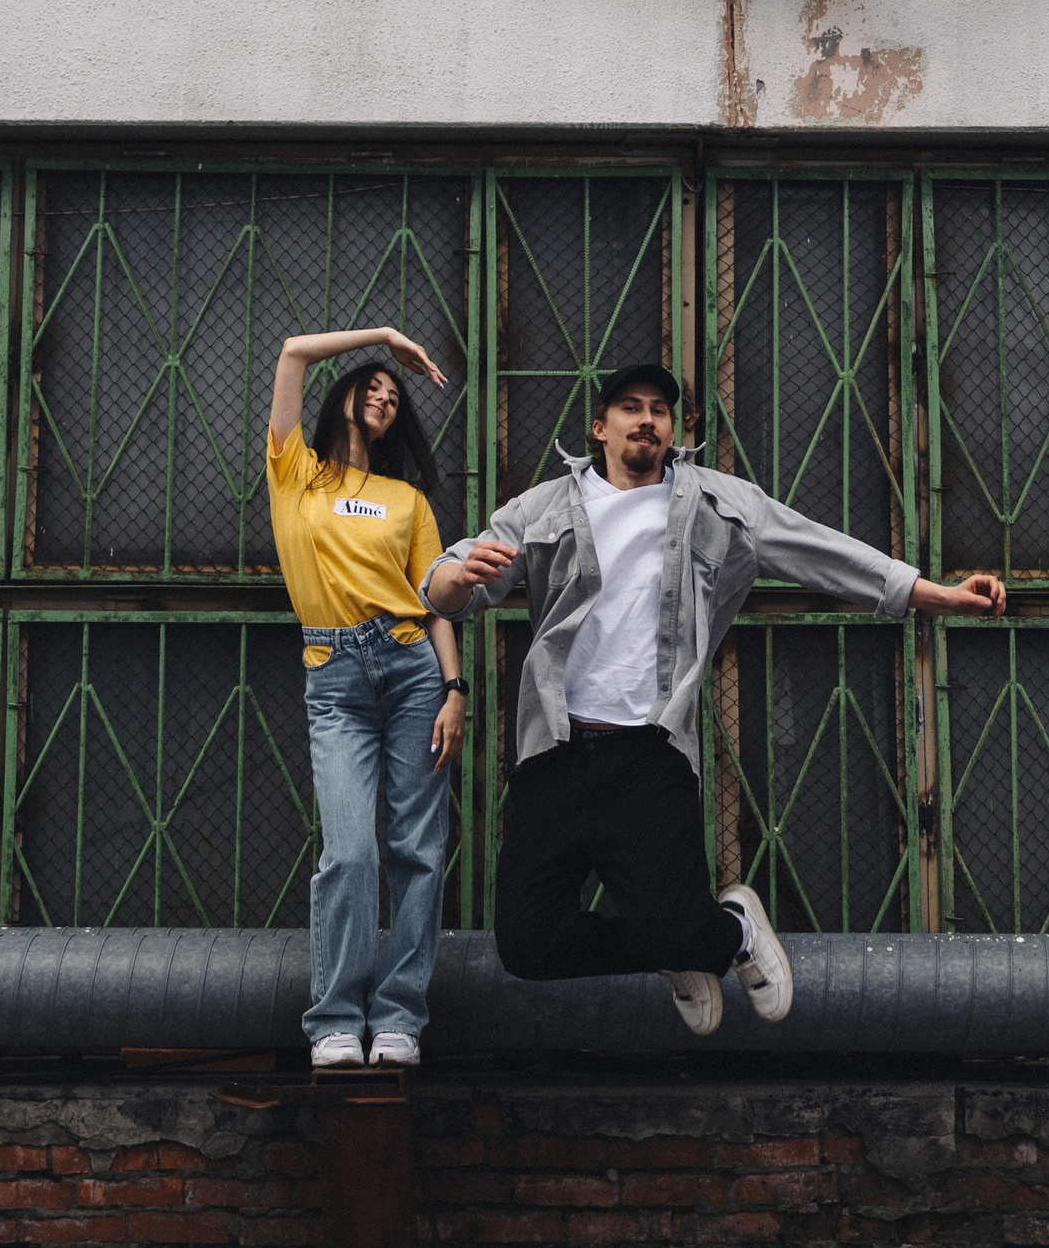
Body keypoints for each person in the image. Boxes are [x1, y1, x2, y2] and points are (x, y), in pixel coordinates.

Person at [423, 362, 1005, 1035]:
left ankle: (704, 935)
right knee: (527, 946)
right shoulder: (543, 507)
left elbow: (821, 551)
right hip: (553, 750)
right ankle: (711, 943)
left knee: (670, 922)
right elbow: (444, 585)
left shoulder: (719, 503)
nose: (647, 420)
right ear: (599, 427)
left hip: (649, 751)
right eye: (631, 407)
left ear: (672, 429)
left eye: (660, 410)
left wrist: (935, 595)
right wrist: (457, 578)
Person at [266, 325, 464, 1069]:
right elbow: (293, 352)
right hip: (335, 677)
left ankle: (401, 1018)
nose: (384, 398)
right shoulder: (296, 472)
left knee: (418, 851)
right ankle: (336, 1021)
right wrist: (382, 339)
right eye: (371, 387)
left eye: (393, 396)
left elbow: (434, 601)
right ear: (345, 395)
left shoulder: (407, 500)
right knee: (349, 853)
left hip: (413, 670)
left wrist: (455, 689)